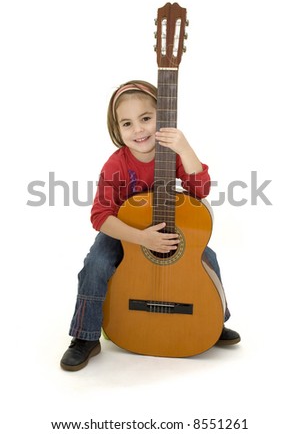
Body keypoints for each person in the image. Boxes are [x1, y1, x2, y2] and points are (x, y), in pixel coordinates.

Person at [60, 80, 240, 371]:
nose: (139, 130)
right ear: (117, 130)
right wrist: (141, 238)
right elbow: (100, 216)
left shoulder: (172, 154)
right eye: (128, 123)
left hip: (166, 231)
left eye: (146, 118)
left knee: (208, 258)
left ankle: (213, 322)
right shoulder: (116, 165)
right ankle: (85, 336)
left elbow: (201, 188)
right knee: (96, 263)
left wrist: (184, 147)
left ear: (163, 118)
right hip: (124, 230)